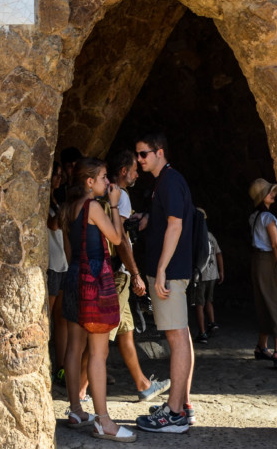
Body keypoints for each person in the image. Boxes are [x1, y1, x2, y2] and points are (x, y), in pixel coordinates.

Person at [61, 157, 136, 442]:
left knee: (74, 346)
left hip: (74, 275)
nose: (108, 182)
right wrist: (115, 205)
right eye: (104, 177)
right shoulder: (93, 206)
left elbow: (70, 250)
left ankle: (76, 410)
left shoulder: (69, 207)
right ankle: (103, 420)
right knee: (97, 352)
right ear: (89, 182)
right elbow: (116, 238)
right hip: (93, 279)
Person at [134, 133, 194, 434]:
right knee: (181, 335)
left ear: (159, 152)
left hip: (169, 273)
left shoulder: (169, 182)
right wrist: (148, 218)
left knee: (176, 337)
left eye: (143, 154)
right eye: (137, 155)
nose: (139, 160)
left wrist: (160, 269)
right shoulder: (166, 182)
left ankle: (174, 414)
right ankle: (182, 406)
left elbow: (175, 225)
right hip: (171, 271)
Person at [107, 150, 171, 401]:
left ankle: (143, 384)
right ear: (123, 171)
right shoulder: (121, 196)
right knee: (103, 336)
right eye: (134, 170)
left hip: (118, 273)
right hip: (120, 274)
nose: (137, 174)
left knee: (126, 331)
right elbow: (121, 239)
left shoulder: (110, 194)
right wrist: (135, 273)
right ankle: (80, 392)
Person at [248, 178, 277, 369]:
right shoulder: (268, 218)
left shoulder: (254, 217)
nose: (273, 194)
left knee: (264, 303)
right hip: (269, 262)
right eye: (269, 192)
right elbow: (275, 245)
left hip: (257, 262)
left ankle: (261, 346)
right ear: (262, 197)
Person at [47, 162, 69, 387]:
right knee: (47, 317)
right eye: (56, 175)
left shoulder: (56, 200)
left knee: (61, 318)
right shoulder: (43, 201)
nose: (59, 179)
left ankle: (61, 367)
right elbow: (53, 224)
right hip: (51, 264)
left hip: (62, 263)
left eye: (61, 175)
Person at [192, 209, 223, 344]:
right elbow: (219, 253)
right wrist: (221, 271)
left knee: (199, 303)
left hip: (200, 275)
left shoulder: (194, 236)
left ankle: (202, 333)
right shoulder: (210, 236)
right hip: (213, 274)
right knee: (209, 300)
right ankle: (212, 322)